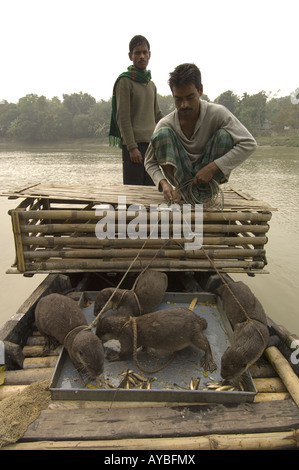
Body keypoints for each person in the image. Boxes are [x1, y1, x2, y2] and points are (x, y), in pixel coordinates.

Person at [144, 63, 257, 204]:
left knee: (225, 136)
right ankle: (183, 191)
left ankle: (204, 193)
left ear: (200, 90)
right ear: (173, 95)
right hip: (180, 180)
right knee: (162, 135)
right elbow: (149, 162)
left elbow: (249, 144)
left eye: (190, 97)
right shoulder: (166, 124)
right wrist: (164, 183)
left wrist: (212, 168)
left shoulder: (218, 113)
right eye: (178, 99)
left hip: (208, 179)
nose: (184, 104)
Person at [109, 35, 163, 186]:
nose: (142, 56)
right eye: (137, 53)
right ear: (130, 56)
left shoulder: (150, 84)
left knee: (152, 190)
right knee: (134, 193)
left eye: (145, 52)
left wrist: (179, 123)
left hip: (152, 146)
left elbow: (157, 114)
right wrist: (132, 147)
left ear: (149, 55)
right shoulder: (125, 81)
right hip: (134, 147)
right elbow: (123, 117)